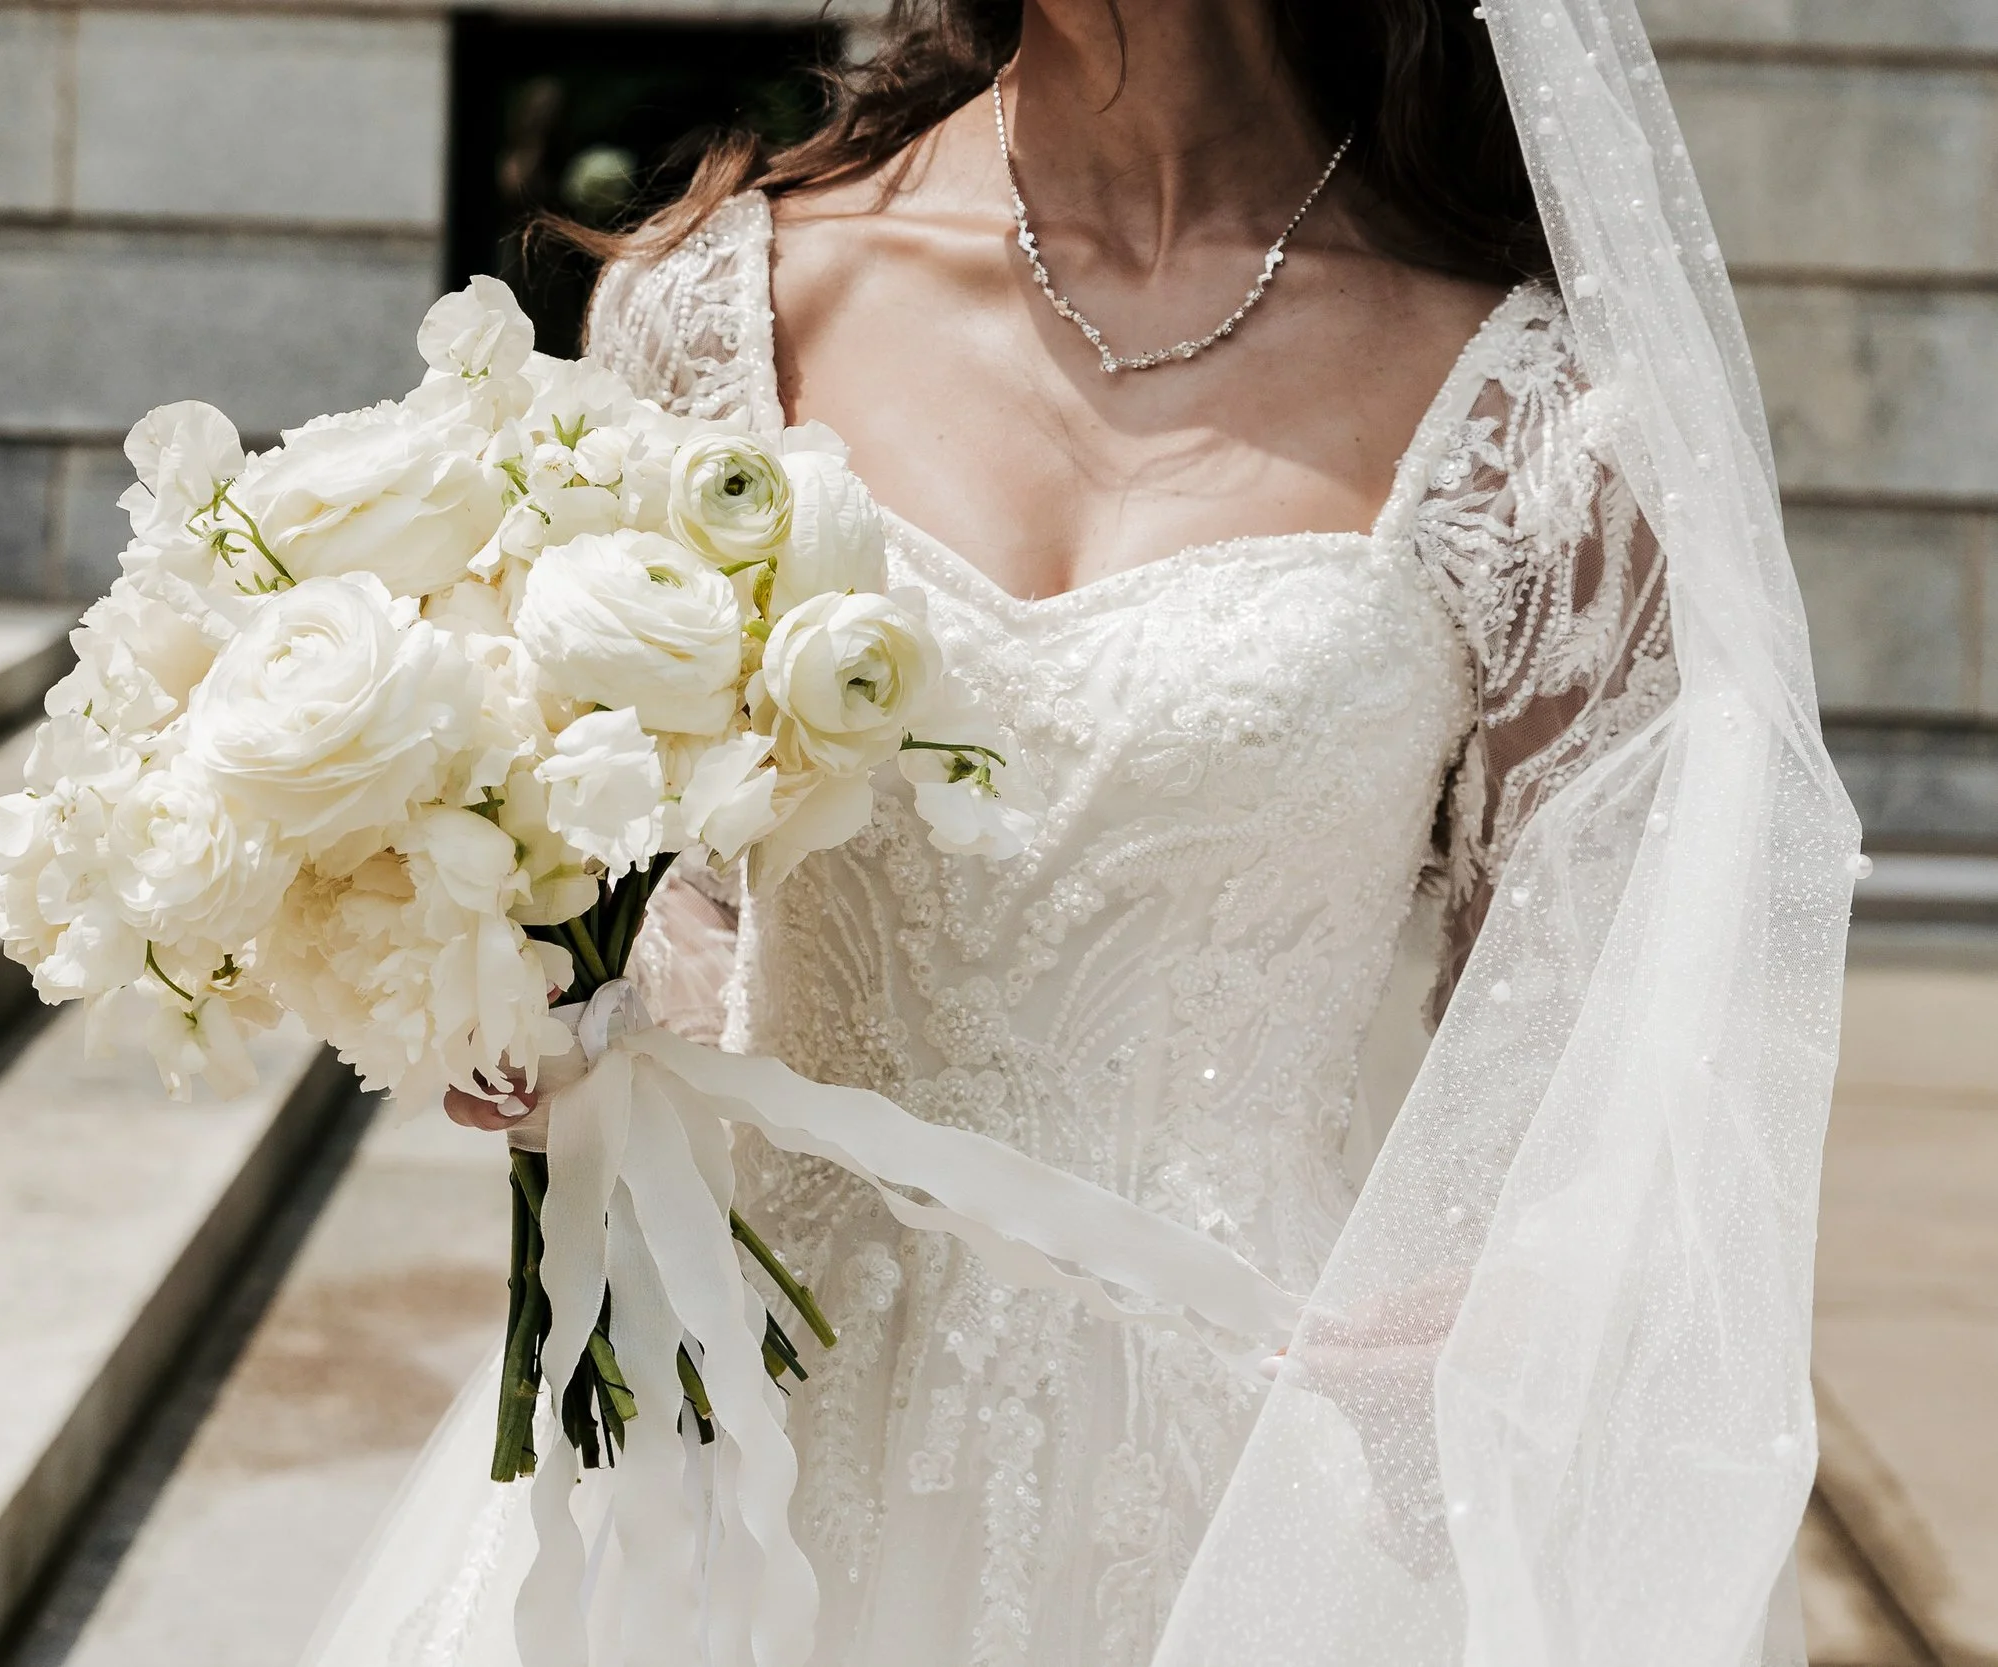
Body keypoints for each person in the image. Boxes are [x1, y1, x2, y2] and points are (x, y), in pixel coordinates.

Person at [315, 0, 1858, 1662]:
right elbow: (674, 889)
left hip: (1238, 1457)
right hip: (746, 1425)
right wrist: (556, 1012)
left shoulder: (1541, 419)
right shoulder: (715, 309)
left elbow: (1610, 1010)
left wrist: (1513, 1290)